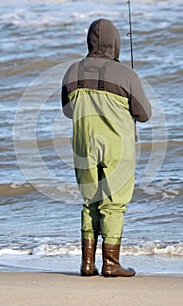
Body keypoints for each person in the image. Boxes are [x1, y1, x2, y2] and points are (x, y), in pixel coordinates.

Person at [61, 18, 151, 277]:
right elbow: (144, 114)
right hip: (116, 147)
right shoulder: (126, 74)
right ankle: (111, 263)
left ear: (89, 41)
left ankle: (87, 264)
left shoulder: (72, 71)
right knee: (113, 204)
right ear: (116, 43)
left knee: (90, 202)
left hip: (83, 145)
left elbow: (68, 112)